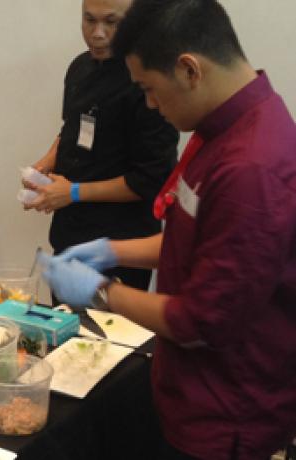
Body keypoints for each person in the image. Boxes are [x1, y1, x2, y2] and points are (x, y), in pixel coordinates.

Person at [39, 1, 296, 458]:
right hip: (185, 389)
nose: (152, 105)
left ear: (189, 69)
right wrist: (113, 250)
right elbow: (195, 239)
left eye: (151, 89)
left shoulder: (249, 167)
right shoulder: (224, 126)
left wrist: (100, 291)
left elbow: (201, 322)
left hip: (222, 411)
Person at [22, 0, 178, 295]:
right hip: (70, 236)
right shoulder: (80, 67)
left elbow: (150, 179)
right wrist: (45, 164)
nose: (97, 33)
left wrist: (73, 192)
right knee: (64, 334)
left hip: (120, 248)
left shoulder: (148, 81)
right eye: (89, 20)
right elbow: (71, 130)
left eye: (111, 22)